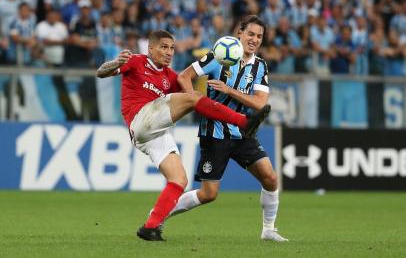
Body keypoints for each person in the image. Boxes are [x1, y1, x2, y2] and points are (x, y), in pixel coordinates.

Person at [96, 30, 270, 241]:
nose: (169, 52)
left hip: (152, 134)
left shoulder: (170, 76)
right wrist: (115, 62)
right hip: (140, 119)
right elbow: (101, 73)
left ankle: (150, 227)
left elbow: (193, 93)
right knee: (193, 98)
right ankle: (244, 122)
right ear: (150, 48)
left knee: (179, 180)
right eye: (163, 47)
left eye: (171, 48)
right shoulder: (136, 61)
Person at [170, 15, 288, 242]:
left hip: (243, 131)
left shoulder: (260, 66)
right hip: (214, 131)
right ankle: (159, 215)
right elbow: (185, 76)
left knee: (270, 177)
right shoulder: (218, 54)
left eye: (259, 36)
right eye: (251, 34)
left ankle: (268, 230)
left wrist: (229, 90)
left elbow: (260, 103)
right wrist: (194, 99)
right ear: (239, 33)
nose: (254, 39)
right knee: (208, 194)